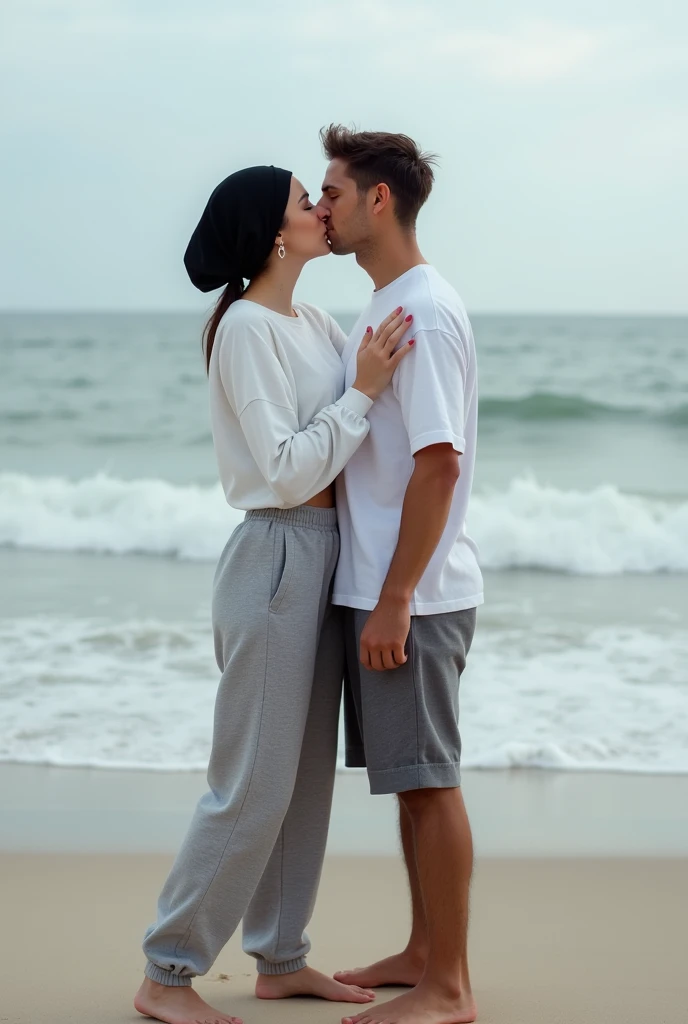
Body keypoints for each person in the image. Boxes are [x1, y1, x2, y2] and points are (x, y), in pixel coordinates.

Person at [133, 165, 415, 1024]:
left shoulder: (320, 322)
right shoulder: (247, 329)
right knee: (252, 781)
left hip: (329, 558)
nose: (320, 209)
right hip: (275, 557)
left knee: (302, 779)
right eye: (304, 200)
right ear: (271, 231)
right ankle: (167, 974)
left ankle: (281, 958)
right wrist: (364, 389)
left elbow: (359, 439)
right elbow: (289, 470)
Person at [317, 127, 484, 1024]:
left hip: (411, 597)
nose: (322, 207)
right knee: (408, 782)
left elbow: (439, 464)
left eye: (334, 192)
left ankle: (449, 987)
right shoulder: (389, 304)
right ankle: (425, 952)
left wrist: (394, 598)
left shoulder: (422, 310)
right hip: (389, 589)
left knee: (429, 781)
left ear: (379, 199)